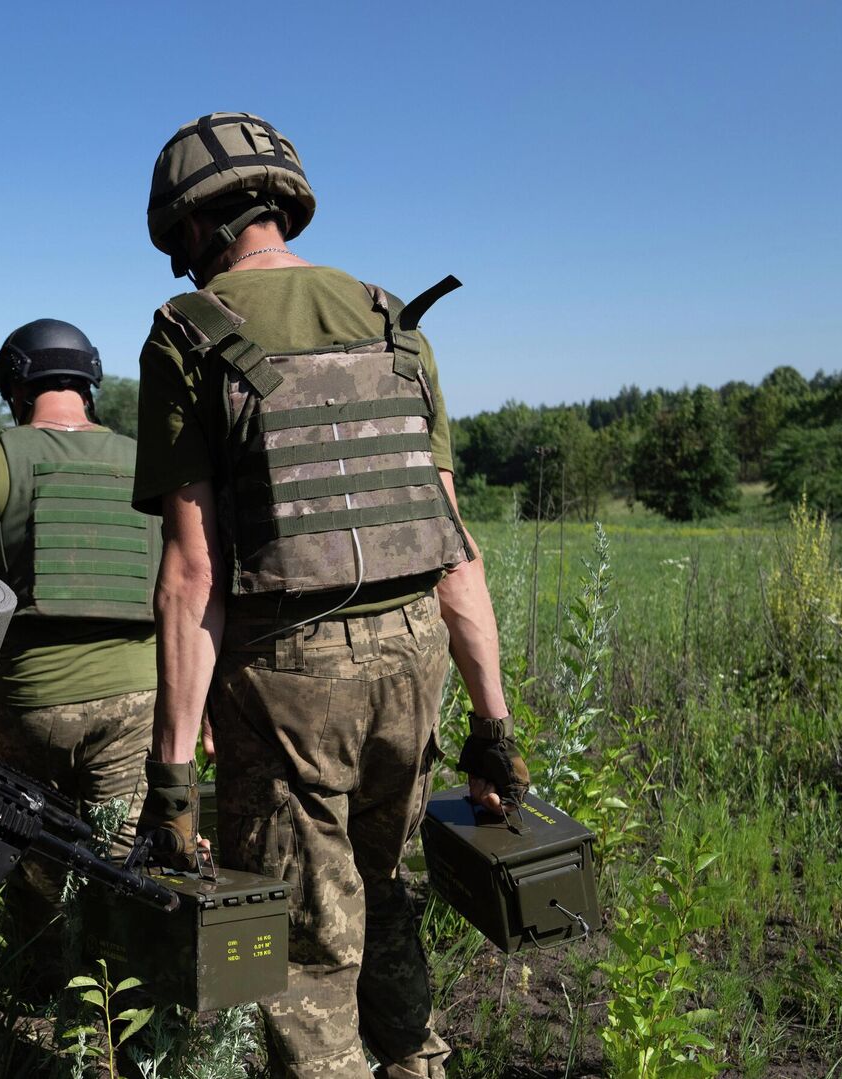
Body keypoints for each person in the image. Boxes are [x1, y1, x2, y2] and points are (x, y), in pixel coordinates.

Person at [130, 112, 528, 1079]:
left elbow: (192, 577)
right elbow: (453, 547)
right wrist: (494, 722)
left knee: (300, 950)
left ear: (191, 227)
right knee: (382, 884)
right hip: (415, 656)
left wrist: (172, 779)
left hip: (288, 674)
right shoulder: (395, 320)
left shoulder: (187, 333)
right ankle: (415, 1064)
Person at [0, 320, 159, 933]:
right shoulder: (147, 463)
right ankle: (105, 1002)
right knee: (116, 862)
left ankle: (34, 982)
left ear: (15, 383)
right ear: (90, 381)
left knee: (30, 848)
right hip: (137, 697)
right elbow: (185, 588)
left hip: (31, 700)